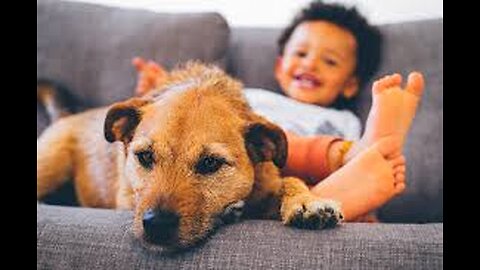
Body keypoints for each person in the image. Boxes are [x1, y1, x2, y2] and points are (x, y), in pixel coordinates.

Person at [131, 0, 425, 222]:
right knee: (280, 149)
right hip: (272, 163)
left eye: (330, 61)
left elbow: (368, 174)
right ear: (279, 67)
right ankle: (347, 169)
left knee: (355, 176)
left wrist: (361, 167)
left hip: (319, 180)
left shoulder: (343, 120)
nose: (310, 64)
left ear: (350, 85)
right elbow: (185, 128)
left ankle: (356, 165)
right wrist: (162, 90)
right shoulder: (254, 101)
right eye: (301, 54)